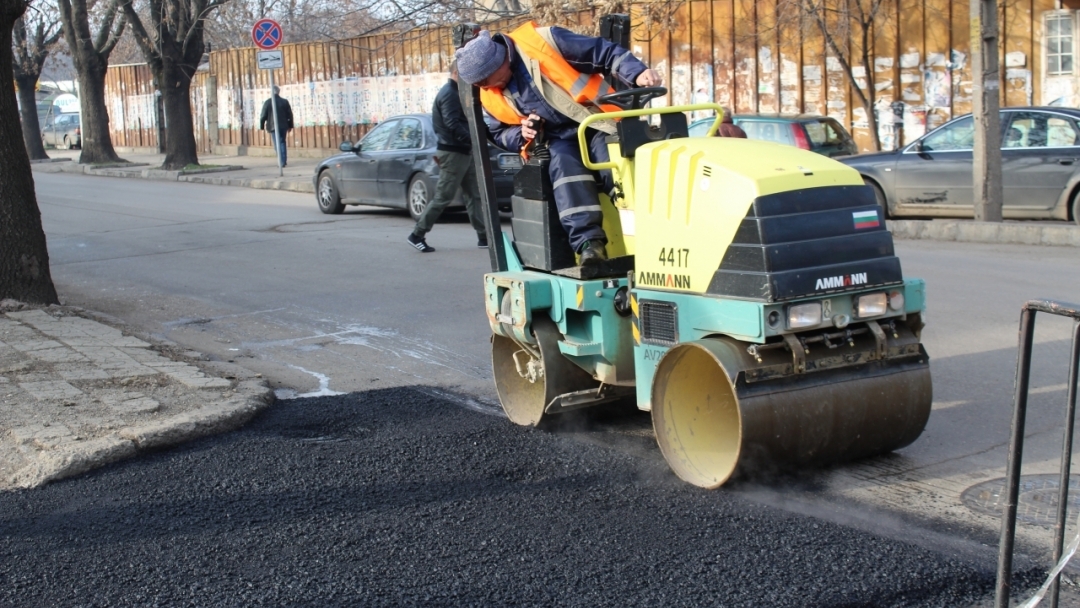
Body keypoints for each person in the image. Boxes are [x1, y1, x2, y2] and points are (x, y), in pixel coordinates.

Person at [454, 24, 662, 265]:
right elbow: (500, 133)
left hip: (596, 121)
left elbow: (601, 51)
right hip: (557, 138)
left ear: (498, 62)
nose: (485, 88)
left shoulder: (544, 41)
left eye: (485, 81)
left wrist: (636, 72)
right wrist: (522, 133)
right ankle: (589, 246)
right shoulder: (491, 93)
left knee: (612, 162)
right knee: (564, 168)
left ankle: (650, 229)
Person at [407, 65, 488, 253]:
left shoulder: (456, 92)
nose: (470, 79)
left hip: (461, 151)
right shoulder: (450, 94)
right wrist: (473, 140)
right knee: (444, 197)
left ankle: (484, 237)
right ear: (457, 73)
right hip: (453, 153)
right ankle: (417, 235)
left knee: (473, 195)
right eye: (467, 75)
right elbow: (452, 124)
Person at [259, 86, 294, 167]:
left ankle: (281, 161)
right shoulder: (284, 102)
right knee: (282, 142)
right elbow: (290, 115)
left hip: (273, 126)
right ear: (278, 92)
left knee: (277, 144)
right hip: (283, 126)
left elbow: (263, 115)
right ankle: (283, 161)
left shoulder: (268, 102)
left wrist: (261, 126)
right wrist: (290, 125)